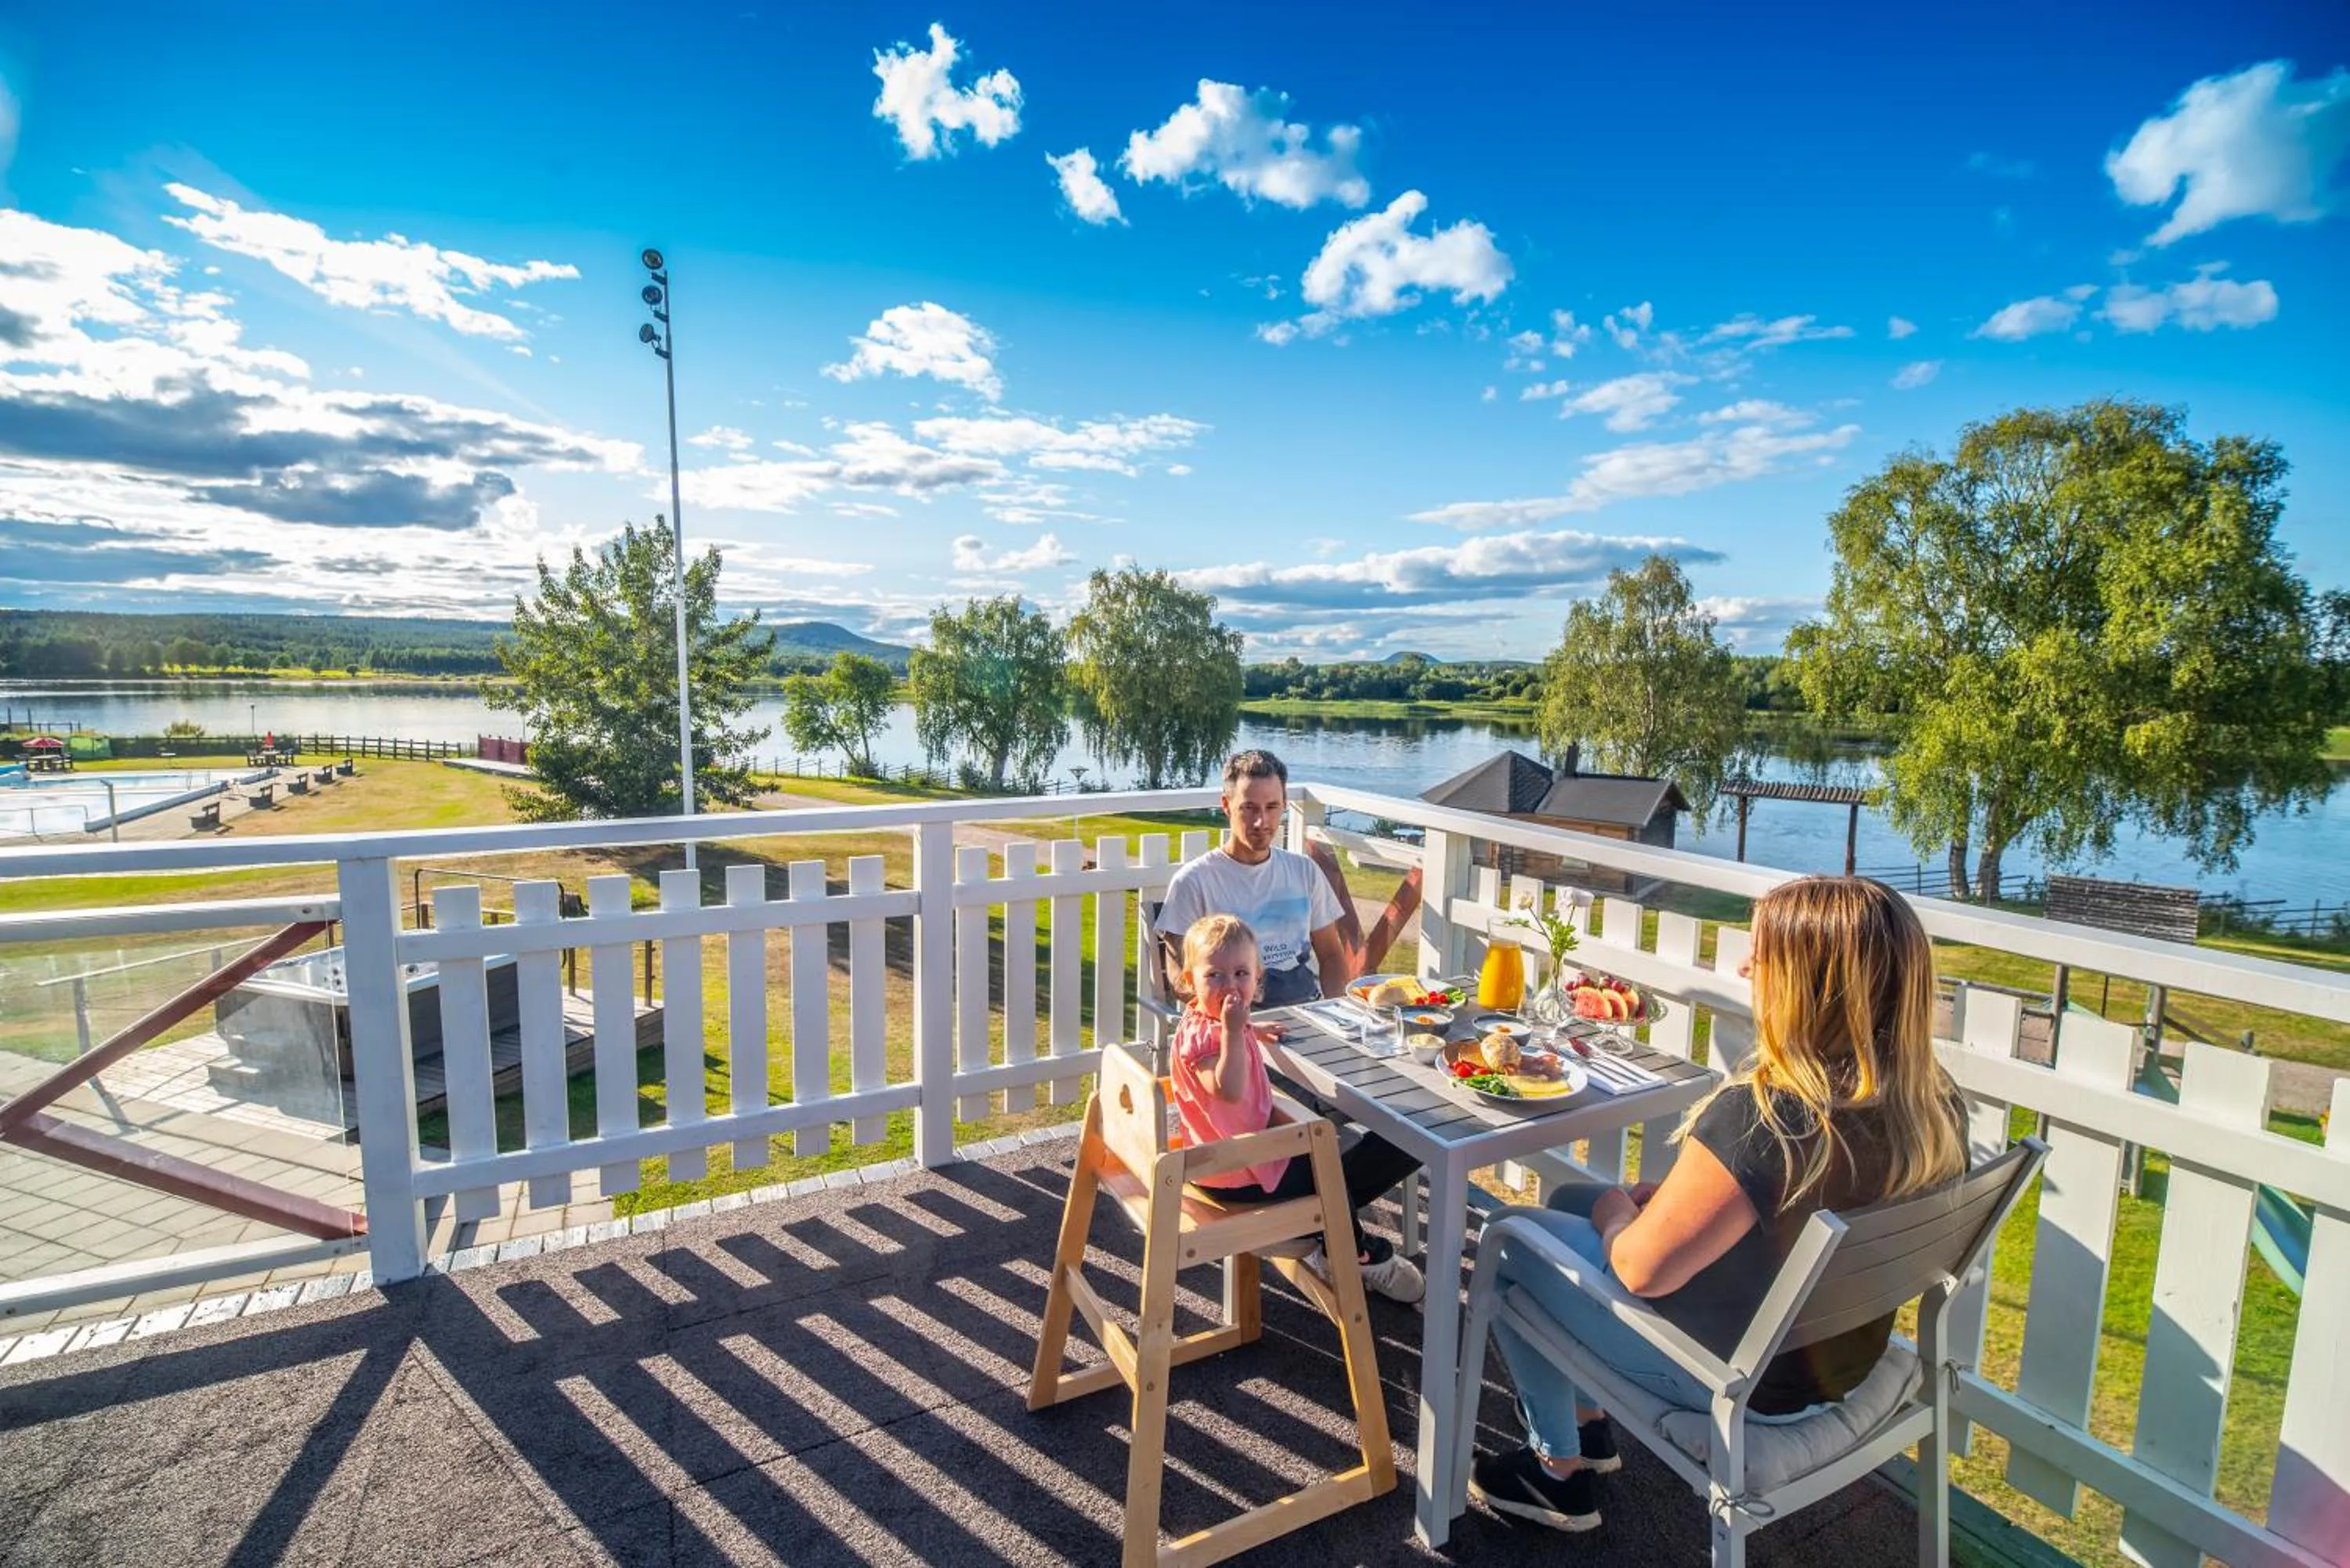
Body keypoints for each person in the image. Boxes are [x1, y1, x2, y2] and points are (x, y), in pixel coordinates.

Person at [1467, 876, 1969, 1533]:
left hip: (1739, 1379)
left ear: (1808, 983)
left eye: (1761, 955)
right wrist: (1656, 1207)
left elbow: (1643, 1271)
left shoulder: (1771, 1116)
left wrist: (1619, 1213)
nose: (1745, 967)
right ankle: (1590, 1431)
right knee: (1567, 1195)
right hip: (1826, 1354)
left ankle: (1556, 1474)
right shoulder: (1931, 1107)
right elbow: (1776, 1215)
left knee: (1509, 1234)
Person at [1168, 912, 1426, 1303]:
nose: (1230, 986)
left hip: (1236, 1160)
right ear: (1189, 982)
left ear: (1258, 980)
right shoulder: (1209, 1040)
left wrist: (1247, 1030)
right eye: (1214, 976)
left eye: (1241, 974)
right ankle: (1350, 1251)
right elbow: (1228, 1089)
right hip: (1239, 1176)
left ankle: (1335, 1237)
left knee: (1329, 1157)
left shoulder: (1205, 1023)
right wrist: (1238, 1033)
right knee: (1365, 1160)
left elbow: (1218, 1031)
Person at [1156, 750, 1352, 1008]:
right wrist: (1238, 1024)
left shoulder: (1304, 872)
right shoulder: (1194, 881)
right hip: (1231, 1027)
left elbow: (1332, 957)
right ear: (1226, 805)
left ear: (1284, 805)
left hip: (1308, 1016)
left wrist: (1338, 1011)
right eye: (1249, 808)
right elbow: (1180, 980)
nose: (1261, 821)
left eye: (1272, 807)